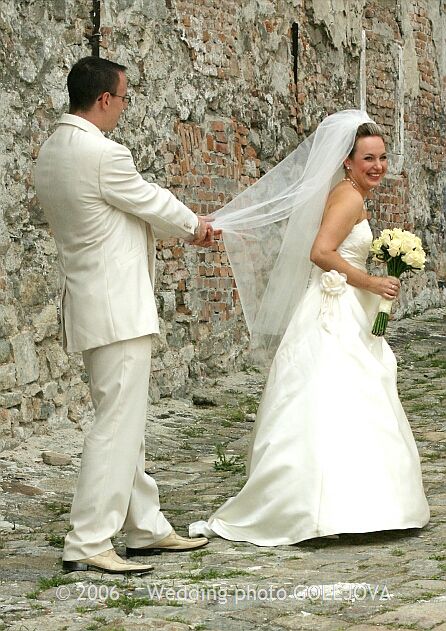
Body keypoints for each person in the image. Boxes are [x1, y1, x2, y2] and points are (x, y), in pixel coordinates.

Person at [190, 110, 430, 546]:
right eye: (368, 159)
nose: (377, 166)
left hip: (344, 304)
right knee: (335, 394)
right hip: (334, 308)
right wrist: (372, 281)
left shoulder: (348, 193)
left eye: (382, 158)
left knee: (346, 394)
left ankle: (352, 505)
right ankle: (324, 507)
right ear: (347, 162)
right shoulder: (349, 198)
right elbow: (321, 252)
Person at [35, 56, 212, 573]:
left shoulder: (52, 150)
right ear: (105, 99)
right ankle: (89, 539)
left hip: (89, 304)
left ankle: (144, 526)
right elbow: (149, 201)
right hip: (118, 308)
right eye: (124, 98)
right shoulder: (103, 153)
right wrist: (195, 225)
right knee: (115, 425)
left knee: (122, 420)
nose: (124, 108)